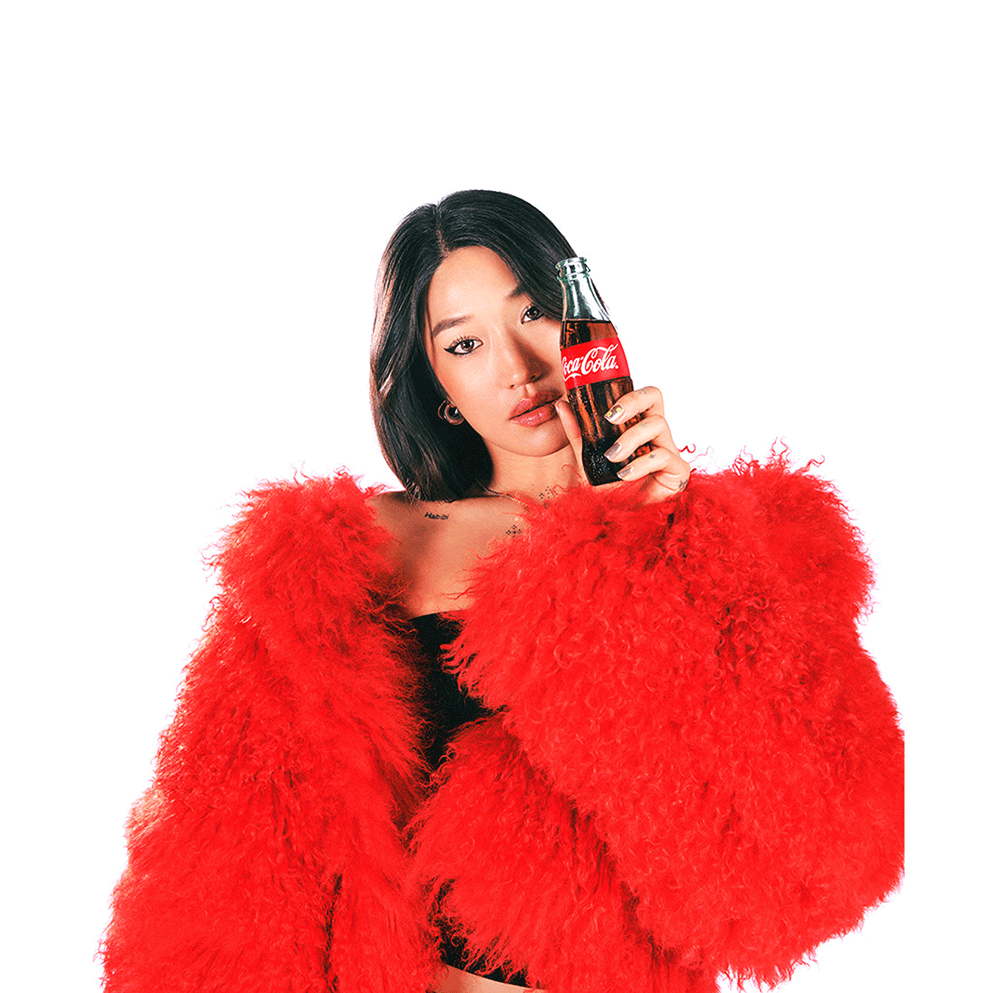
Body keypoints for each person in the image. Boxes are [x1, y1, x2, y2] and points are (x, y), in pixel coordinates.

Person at [100, 190, 904, 993]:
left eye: (533, 317)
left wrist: (677, 543)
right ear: (436, 384)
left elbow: (810, 869)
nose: (518, 371)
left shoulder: (731, 536)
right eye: (465, 344)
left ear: (583, 321)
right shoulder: (349, 555)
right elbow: (227, 855)